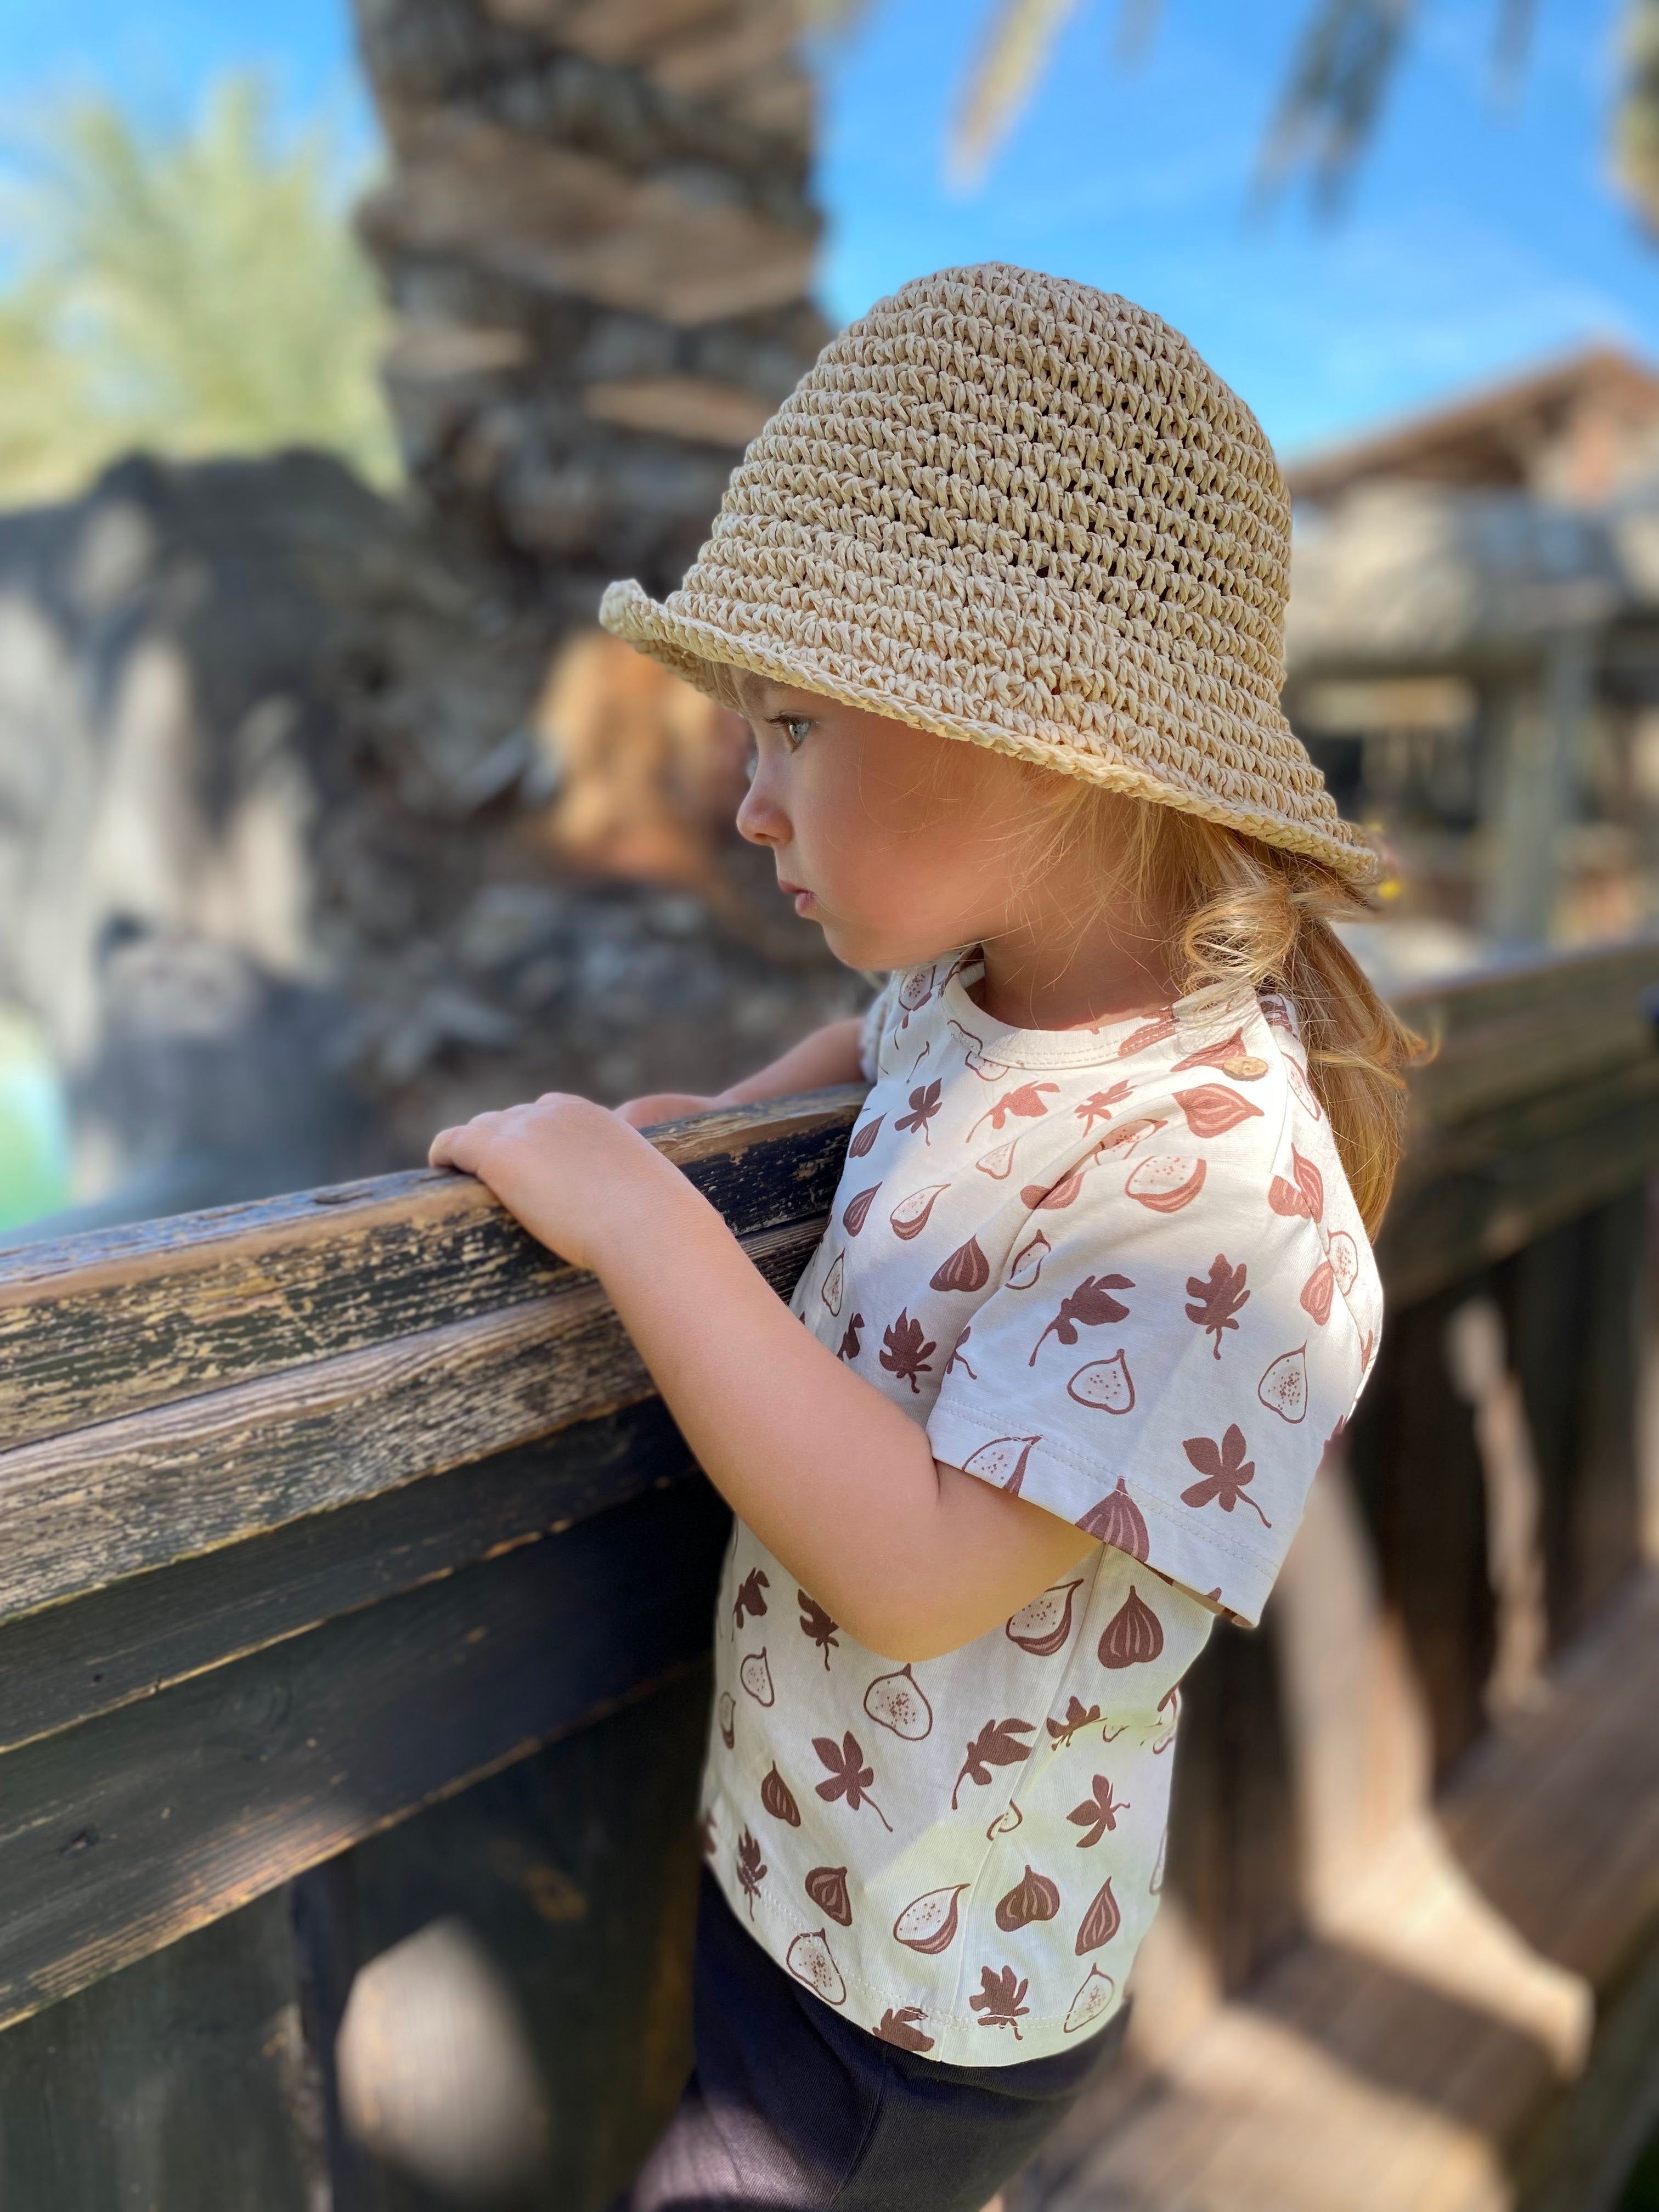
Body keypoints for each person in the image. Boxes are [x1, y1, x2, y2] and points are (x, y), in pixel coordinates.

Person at [427, 264, 1420, 2212]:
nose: (750, 806)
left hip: (921, 2009)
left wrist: (641, 1217)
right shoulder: (984, 988)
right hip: (813, 1879)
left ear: (1045, 735)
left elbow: (915, 1569)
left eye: (792, 727)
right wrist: (731, 1125)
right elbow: (886, 1056)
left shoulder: (1228, 1199)